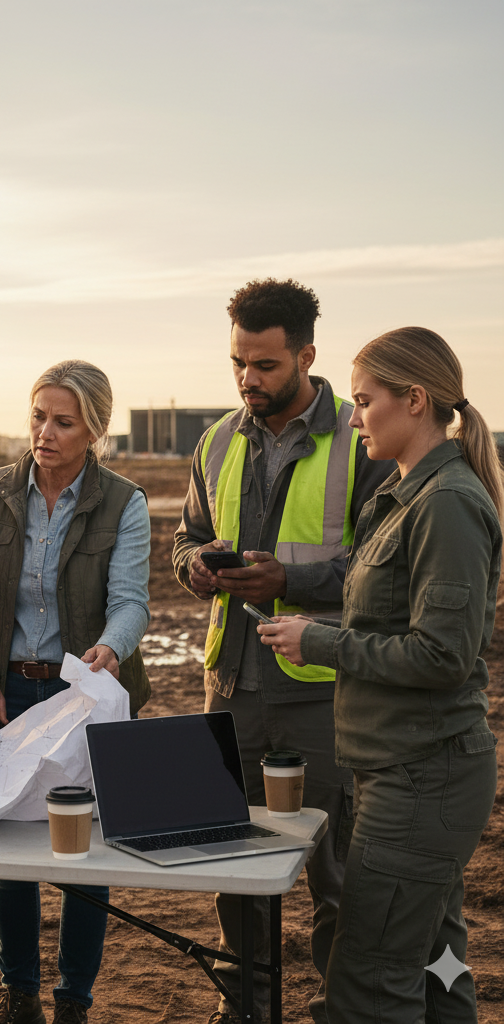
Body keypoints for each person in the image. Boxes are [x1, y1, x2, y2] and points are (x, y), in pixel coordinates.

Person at [258, 327, 501, 1022]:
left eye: (364, 402)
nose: (354, 418)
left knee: (367, 984)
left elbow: (442, 656)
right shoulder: (402, 495)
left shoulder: (445, 502)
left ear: (415, 400)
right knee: (437, 963)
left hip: (421, 779)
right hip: (403, 770)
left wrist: (320, 642)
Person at [172, 278, 393, 1023]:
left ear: (306, 356)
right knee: (228, 861)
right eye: (238, 362)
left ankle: (343, 1010)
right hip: (229, 688)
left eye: (264, 365)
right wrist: (197, 567)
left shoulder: (361, 441)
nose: (247, 379)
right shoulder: (215, 441)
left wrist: (289, 581)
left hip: (324, 693)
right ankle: (246, 1007)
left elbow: (382, 567)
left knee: (338, 874)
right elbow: (186, 538)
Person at [0, 359, 151, 1024]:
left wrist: (111, 648)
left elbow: (131, 601)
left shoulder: (124, 502)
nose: (44, 432)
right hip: (10, 692)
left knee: (80, 850)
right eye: (38, 416)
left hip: (83, 697)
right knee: (10, 847)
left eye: (63, 422)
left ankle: (73, 1001)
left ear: (94, 430)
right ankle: (19, 995)